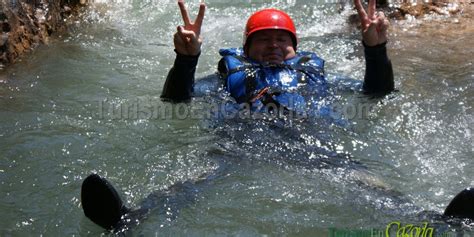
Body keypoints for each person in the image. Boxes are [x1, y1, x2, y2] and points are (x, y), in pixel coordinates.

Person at [80, 0, 474, 232]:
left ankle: (436, 222)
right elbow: (175, 101)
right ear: (247, 47)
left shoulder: (316, 75)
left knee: (365, 181)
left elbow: (377, 93)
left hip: (311, 141)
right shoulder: (224, 79)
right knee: (195, 179)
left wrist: (376, 50)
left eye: (281, 40)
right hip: (239, 141)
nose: (273, 45)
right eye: (263, 39)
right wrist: (186, 59)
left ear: (294, 47)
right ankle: (129, 219)